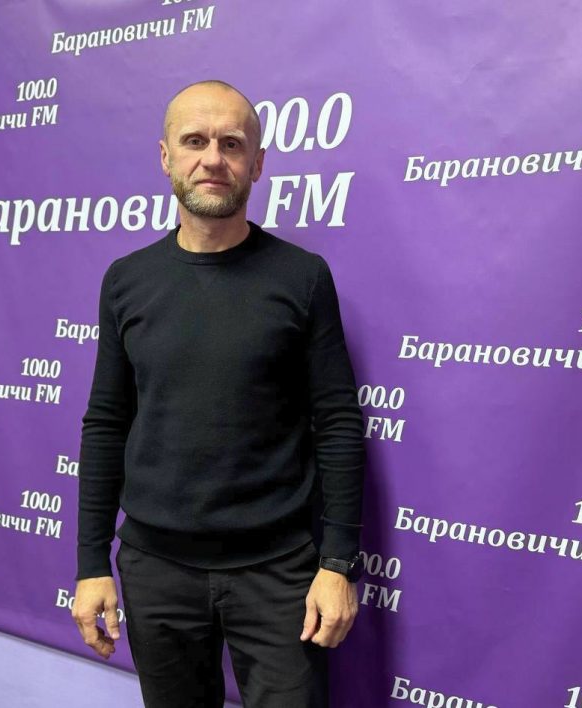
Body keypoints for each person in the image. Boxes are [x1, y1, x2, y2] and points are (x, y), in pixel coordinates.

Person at [72, 79, 366, 708]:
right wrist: (91, 562)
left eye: (232, 144)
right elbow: (106, 422)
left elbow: (339, 422)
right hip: (155, 570)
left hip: (280, 572)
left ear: (257, 163)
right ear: (166, 157)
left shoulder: (303, 278)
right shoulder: (126, 281)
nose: (213, 159)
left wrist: (338, 563)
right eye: (195, 141)